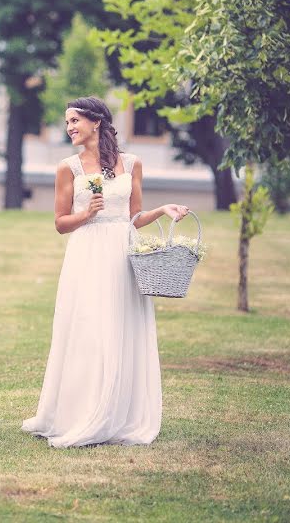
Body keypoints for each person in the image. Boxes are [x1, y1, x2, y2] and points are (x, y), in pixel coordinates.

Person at [21, 96, 189, 448]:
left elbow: (135, 218)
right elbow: (60, 223)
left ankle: (121, 412)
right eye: (67, 122)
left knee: (121, 326)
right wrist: (87, 215)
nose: (69, 128)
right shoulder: (69, 167)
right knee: (89, 328)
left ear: (96, 122)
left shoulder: (132, 163)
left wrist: (163, 209)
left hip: (122, 251)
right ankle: (79, 412)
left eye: (74, 121)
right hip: (87, 252)